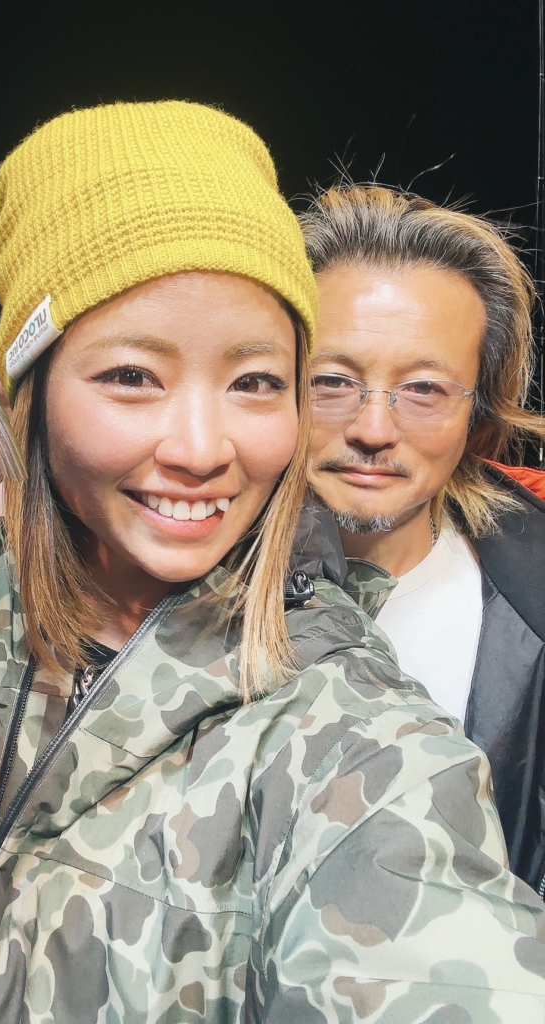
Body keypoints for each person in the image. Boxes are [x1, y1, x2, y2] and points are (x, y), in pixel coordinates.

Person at [0, 104, 545, 1024]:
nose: (200, 448)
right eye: (131, 376)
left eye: (255, 381)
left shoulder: (356, 737)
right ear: (19, 401)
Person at [299, 183, 545, 894]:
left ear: (479, 415)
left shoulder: (531, 600)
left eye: (425, 389)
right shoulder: (166, 585)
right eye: (332, 381)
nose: (373, 429)